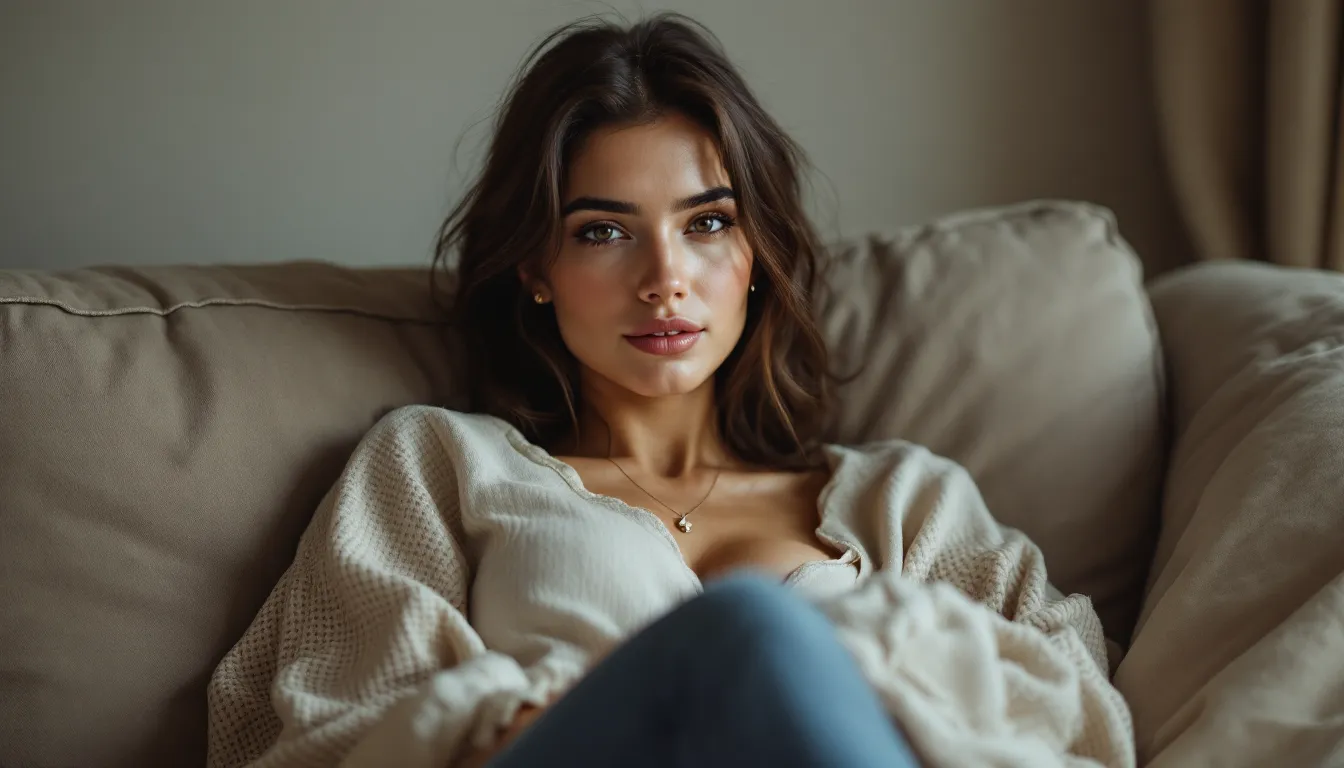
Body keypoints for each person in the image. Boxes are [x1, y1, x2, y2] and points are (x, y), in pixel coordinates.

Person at [206, 13, 1134, 768]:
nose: (665, 279)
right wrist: (540, 713)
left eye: (708, 223)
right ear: (537, 263)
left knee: (752, 630)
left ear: (757, 253)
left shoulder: (911, 503)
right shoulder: (436, 464)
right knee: (740, 625)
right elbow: (326, 732)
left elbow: (1075, 713)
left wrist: (820, 665)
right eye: (604, 232)